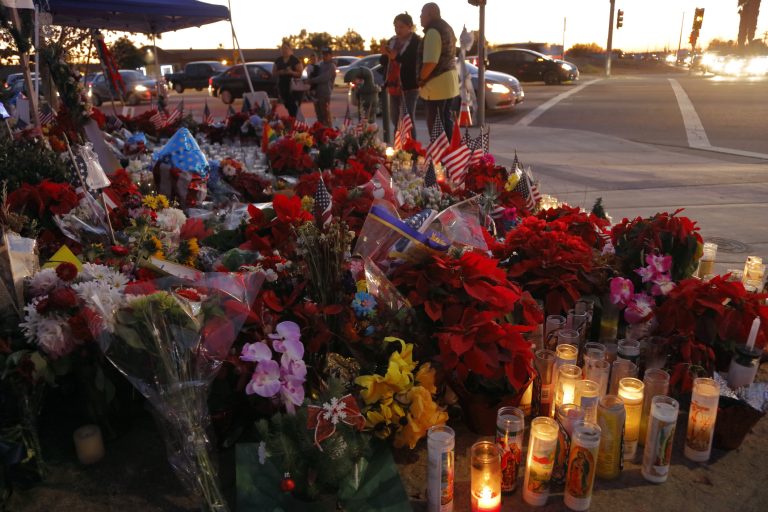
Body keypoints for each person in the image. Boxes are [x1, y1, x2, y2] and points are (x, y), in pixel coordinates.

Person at [417, 2, 459, 139]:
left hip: (436, 87)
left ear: (430, 14)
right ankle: (449, 157)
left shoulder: (433, 31)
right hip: (449, 83)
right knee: (446, 122)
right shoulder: (447, 28)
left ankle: (441, 159)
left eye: (422, 13)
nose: (420, 17)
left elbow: (431, 61)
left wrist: (421, 79)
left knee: (437, 130)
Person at [380, 12, 421, 139]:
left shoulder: (416, 41)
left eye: (401, 27)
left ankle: (412, 149)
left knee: (407, 118)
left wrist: (396, 56)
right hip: (393, 85)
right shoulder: (392, 41)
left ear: (410, 27)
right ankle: (399, 146)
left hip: (409, 85)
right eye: (396, 27)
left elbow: (413, 62)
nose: (398, 30)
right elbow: (384, 62)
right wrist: (385, 55)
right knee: (395, 118)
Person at [306, 47, 336, 127]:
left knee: (326, 115)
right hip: (317, 93)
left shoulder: (331, 66)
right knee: (319, 115)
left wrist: (311, 80)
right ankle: (321, 132)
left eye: (326, 55)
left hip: (325, 94)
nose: (324, 56)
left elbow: (324, 78)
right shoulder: (320, 64)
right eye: (323, 54)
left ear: (331, 55)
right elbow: (314, 74)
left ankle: (329, 132)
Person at [274, 42, 303, 117]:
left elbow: (300, 74)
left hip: (293, 87)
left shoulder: (295, 60)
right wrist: (281, 72)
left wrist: (291, 72)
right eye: (282, 48)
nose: (284, 50)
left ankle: (294, 120)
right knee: (286, 104)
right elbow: (274, 73)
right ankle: (292, 119)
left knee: (293, 105)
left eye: (286, 48)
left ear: (290, 49)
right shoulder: (278, 60)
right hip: (282, 85)